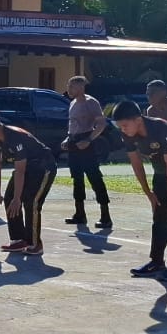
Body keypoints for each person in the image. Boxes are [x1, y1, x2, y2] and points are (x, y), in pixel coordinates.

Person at [112, 101, 167, 281]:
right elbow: (136, 163)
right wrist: (148, 193)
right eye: (119, 126)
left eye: (125, 125)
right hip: (161, 175)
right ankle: (156, 262)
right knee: (159, 217)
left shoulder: (162, 129)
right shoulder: (128, 134)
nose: (122, 129)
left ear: (138, 119)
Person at [0, 112, 57, 256]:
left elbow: (20, 170)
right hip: (26, 168)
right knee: (9, 199)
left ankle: (35, 244)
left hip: (43, 166)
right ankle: (18, 240)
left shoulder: (15, 136)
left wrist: (17, 198)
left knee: (31, 202)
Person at [64, 76, 111, 229]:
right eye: (69, 86)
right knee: (77, 179)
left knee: (94, 177)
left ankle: (105, 216)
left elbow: (101, 124)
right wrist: (68, 139)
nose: (69, 90)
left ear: (81, 87)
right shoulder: (72, 103)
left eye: (72, 87)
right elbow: (73, 125)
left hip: (86, 141)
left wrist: (89, 140)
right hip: (73, 142)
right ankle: (80, 214)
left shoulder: (91, 102)